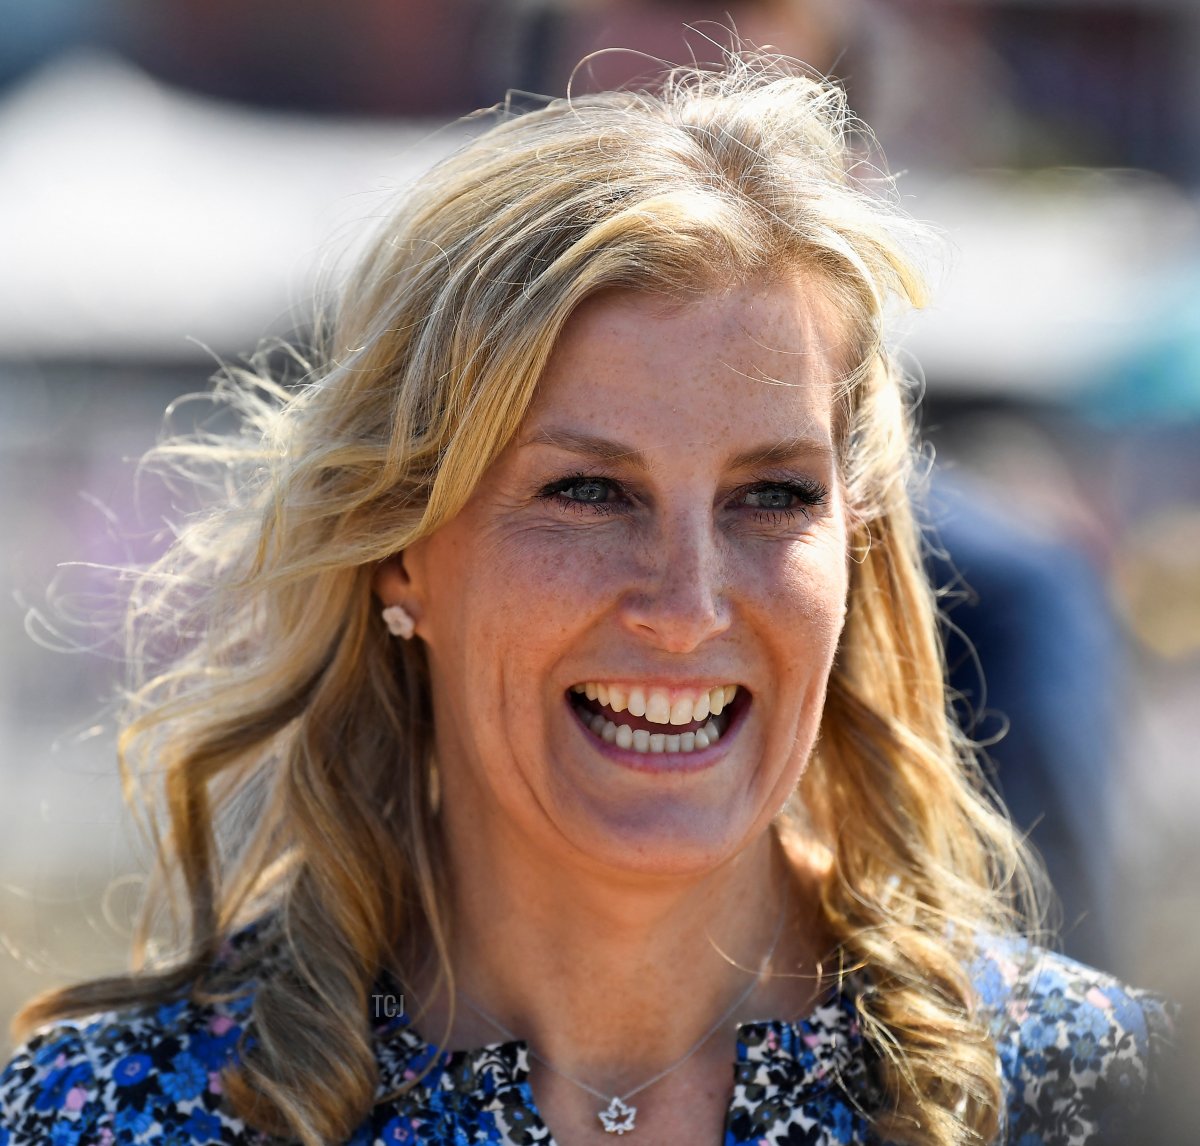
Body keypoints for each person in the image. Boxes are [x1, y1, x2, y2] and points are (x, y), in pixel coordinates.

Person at [0, 52, 1174, 1146]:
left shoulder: (1083, 1093)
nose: (686, 604)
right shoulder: (109, 1113)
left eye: (770, 496)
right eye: (588, 491)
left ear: (858, 543)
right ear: (397, 550)